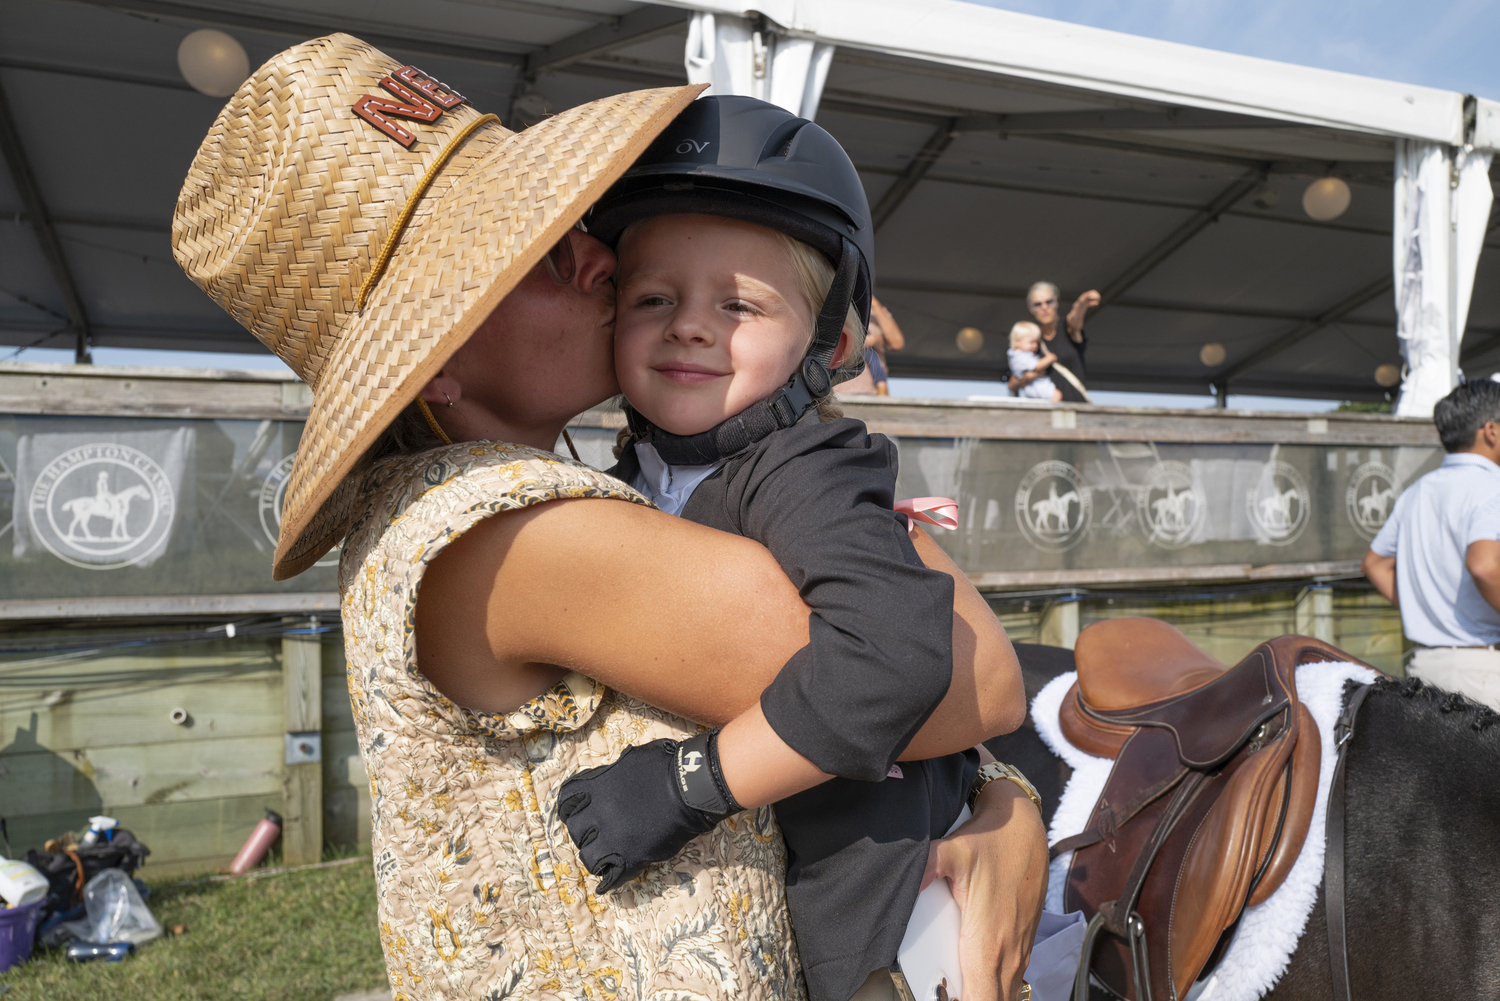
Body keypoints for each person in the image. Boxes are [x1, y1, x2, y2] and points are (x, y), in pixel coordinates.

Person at [172, 35, 1047, 1001]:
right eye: (542, 251)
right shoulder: (506, 532)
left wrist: (997, 801)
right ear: (437, 361)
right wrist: (1005, 804)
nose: (597, 257)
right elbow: (971, 678)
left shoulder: (547, 494)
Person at [555, 96, 1012, 1001]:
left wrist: (691, 782)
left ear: (831, 343)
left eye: (739, 304)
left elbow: (890, 654)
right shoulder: (643, 467)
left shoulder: (806, 465)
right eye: (655, 297)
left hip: (876, 913)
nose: (691, 324)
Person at [1362, 379, 1500, 708]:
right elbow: (1484, 566)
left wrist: (1424, 610)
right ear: (1491, 431)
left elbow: (1374, 564)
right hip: (1485, 672)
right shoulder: (1493, 486)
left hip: (1424, 672)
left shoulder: (1416, 492)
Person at [1010, 281, 1097, 402]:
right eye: (1037, 304)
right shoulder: (1031, 341)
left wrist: (1081, 303)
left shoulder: (1068, 328)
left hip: (1076, 410)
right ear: (1031, 308)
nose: (1044, 307)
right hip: (1046, 415)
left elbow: (1075, 319)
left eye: (1049, 302)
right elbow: (1012, 384)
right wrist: (1030, 376)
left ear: (1057, 302)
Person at [1007, 321, 1061, 402]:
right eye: (1031, 342)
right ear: (1017, 341)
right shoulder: (1020, 356)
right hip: (1036, 387)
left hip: (1034, 387)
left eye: (1036, 342)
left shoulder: (1018, 355)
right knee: (1057, 395)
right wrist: (1051, 358)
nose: (1035, 345)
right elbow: (1037, 366)